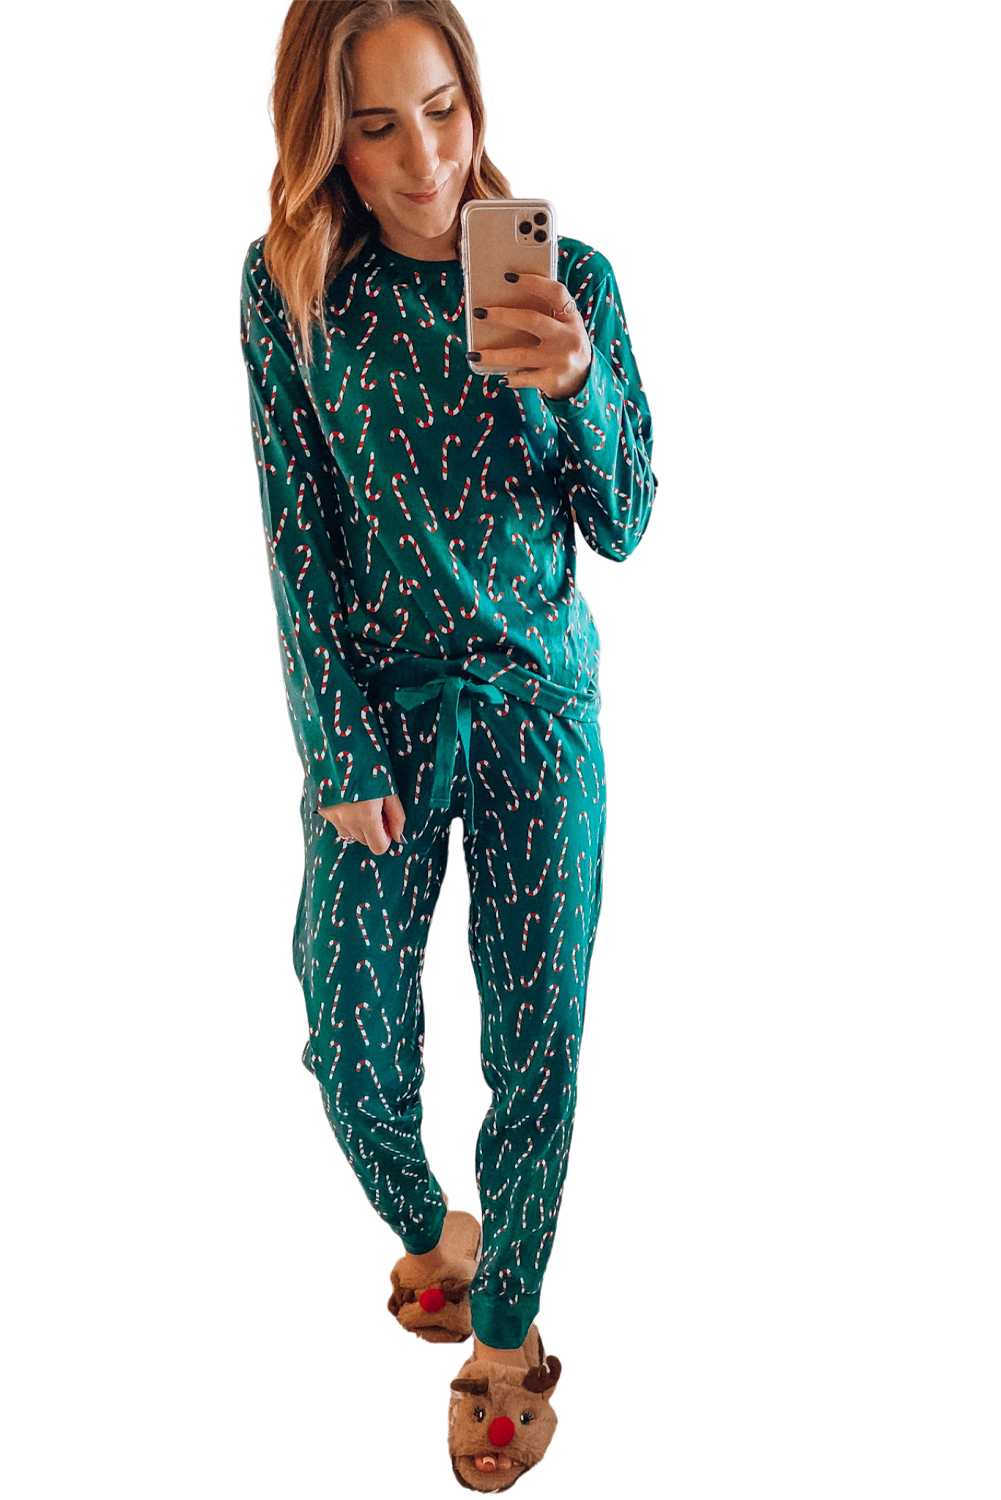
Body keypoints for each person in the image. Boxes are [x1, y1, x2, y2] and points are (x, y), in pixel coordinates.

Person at [239, 0, 657, 1485]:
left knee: (536, 1039)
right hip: (383, 723)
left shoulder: (570, 278)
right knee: (349, 1041)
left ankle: (509, 1325)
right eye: (375, 126)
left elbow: (626, 519)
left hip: (541, 712)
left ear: (476, 102)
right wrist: (336, 755)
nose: (423, 159)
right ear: (326, 145)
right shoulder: (291, 288)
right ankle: (434, 1232)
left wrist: (579, 389)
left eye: (442, 110)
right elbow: (297, 535)